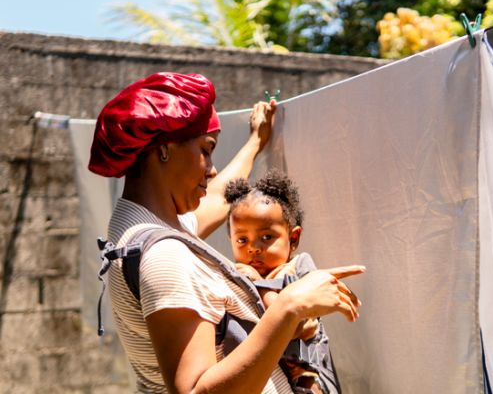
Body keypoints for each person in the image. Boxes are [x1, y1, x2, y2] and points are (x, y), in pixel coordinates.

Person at [89, 72, 364, 394]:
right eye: (206, 149)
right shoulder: (167, 257)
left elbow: (220, 197)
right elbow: (193, 389)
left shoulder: (138, 231)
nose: (212, 168)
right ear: (164, 150)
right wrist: (289, 307)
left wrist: (256, 142)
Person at [224, 170, 340, 394]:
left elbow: (301, 327)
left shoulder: (300, 269)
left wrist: (261, 285)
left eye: (266, 237)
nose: (254, 248)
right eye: (242, 239)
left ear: (293, 238)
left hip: (312, 380)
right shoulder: (237, 278)